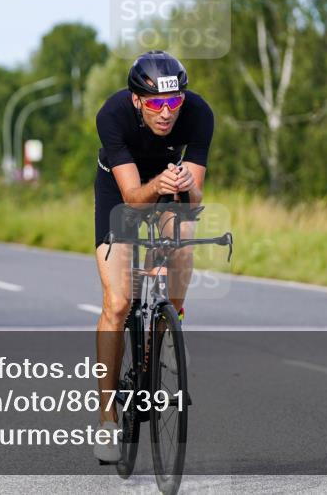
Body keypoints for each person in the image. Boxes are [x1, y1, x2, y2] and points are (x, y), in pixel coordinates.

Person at [91, 50, 213, 463]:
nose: (167, 113)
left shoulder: (198, 113)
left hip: (167, 188)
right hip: (121, 191)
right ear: (137, 101)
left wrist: (183, 185)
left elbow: (195, 198)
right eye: (157, 104)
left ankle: (171, 319)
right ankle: (107, 418)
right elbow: (131, 197)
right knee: (119, 301)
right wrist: (158, 182)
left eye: (174, 102)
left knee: (185, 231)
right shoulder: (113, 116)